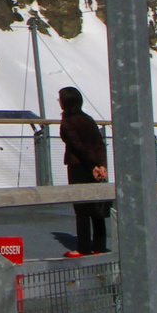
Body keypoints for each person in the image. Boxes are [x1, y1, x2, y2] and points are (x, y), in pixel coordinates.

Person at [58, 86, 109, 256]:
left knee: (81, 209)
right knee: (97, 207)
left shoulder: (67, 122)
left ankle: (84, 247)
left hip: (79, 167)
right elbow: (98, 143)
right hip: (94, 166)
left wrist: (91, 166)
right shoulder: (88, 119)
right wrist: (101, 165)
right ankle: (100, 246)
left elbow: (77, 147)